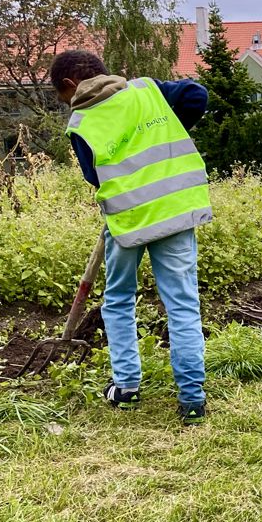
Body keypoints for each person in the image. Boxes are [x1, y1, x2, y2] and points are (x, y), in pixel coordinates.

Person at [51, 49, 211, 423]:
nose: (65, 102)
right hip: (174, 213)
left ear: (70, 85)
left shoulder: (81, 122)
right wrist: (168, 132)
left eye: (61, 95)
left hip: (126, 223)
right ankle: (192, 399)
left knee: (119, 301)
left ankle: (126, 389)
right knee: (182, 305)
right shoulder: (148, 91)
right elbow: (197, 96)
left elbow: (95, 177)